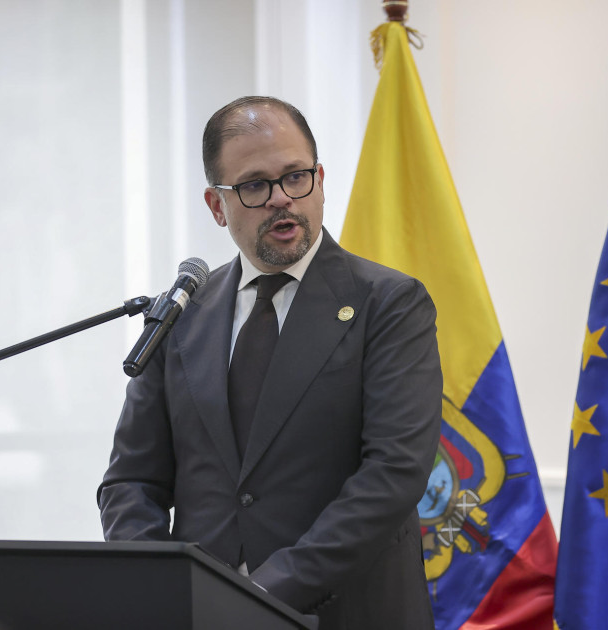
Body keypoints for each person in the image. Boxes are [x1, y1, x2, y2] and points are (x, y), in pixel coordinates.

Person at [98, 96, 442, 629]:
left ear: (320, 179)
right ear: (217, 205)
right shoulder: (182, 314)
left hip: (346, 612)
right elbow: (131, 481)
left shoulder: (388, 303)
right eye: (255, 185)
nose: (283, 199)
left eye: (296, 176)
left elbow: (393, 474)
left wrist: (259, 594)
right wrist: (162, 587)